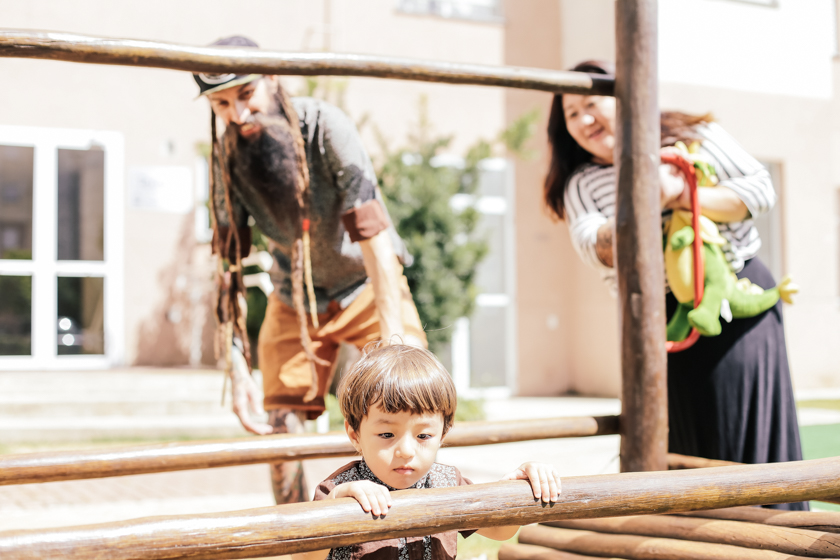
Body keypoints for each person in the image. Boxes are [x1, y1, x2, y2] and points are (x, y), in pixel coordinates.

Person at [545, 60, 807, 511]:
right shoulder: (582, 183)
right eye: (571, 114)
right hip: (659, 317)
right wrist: (647, 196)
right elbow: (596, 247)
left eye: (591, 104)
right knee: (685, 437)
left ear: (623, 98)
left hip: (738, 295)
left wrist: (680, 193)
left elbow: (760, 191)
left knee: (748, 427)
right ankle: (707, 537)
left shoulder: (692, 136)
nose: (584, 120)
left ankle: (776, 528)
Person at [194, 36, 427, 505]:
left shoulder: (325, 124)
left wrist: (395, 339)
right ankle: (299, 536)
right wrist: (237, 370)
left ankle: (410, 530)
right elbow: (228, 268)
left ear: (272, 79)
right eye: (221, 104)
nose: (238, 114)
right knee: (279, 434)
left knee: (412, 397)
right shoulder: (226, 157)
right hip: (293, 301)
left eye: (246, 95)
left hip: (367, 284)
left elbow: (373, 233)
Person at [293, 344, 561, 560]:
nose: (406, 451)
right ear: (355, 434)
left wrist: (515, 488)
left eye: (423, 436)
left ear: (442, 434)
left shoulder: (447, 484)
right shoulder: (339, 489)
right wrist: (335, 506)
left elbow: (500, 530)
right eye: (387, 435)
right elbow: (303, 556)